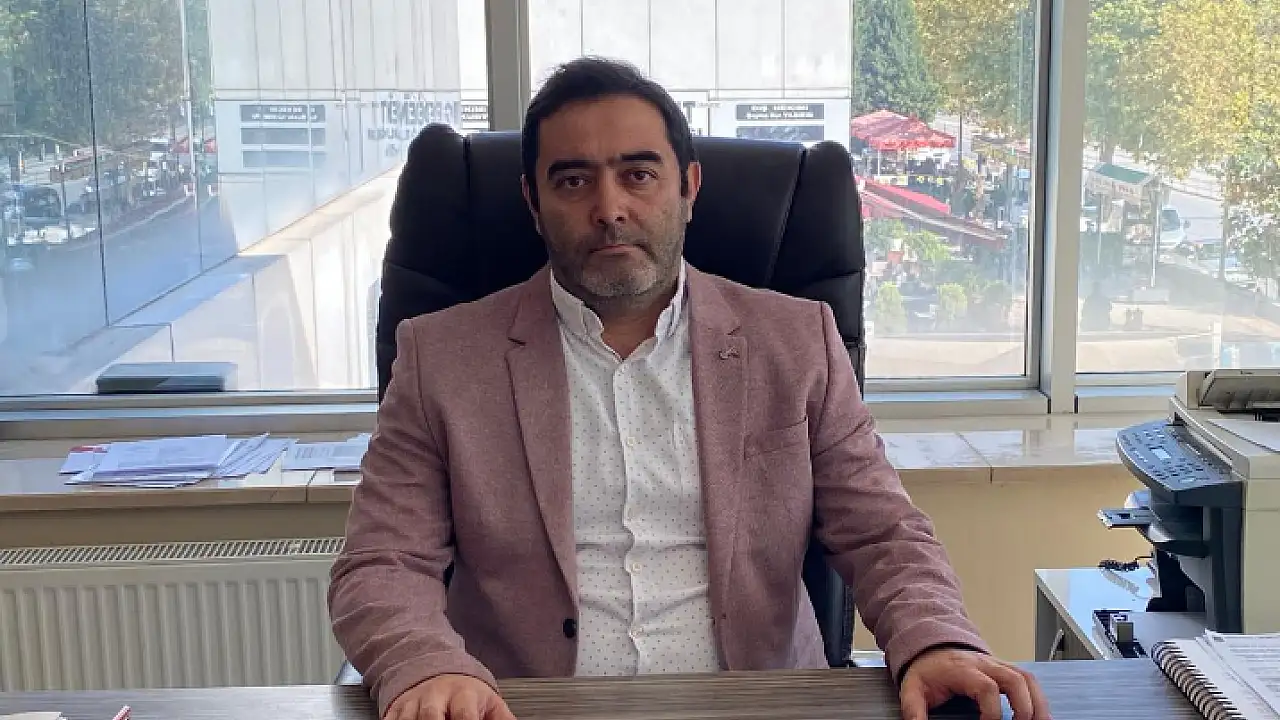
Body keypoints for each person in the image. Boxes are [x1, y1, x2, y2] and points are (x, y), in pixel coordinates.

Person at [328, 56, 1050, 720]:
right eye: (573, 181)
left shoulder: (796, 341)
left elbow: (882, 530)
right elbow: (383, 561)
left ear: (689, 188)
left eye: (639, 174)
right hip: (526, 708)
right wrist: (424, 664)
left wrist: (935, 640)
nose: (609, 208)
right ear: (533, 202)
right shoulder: (443, 359)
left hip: (758, 706)